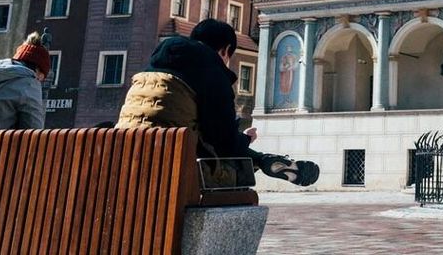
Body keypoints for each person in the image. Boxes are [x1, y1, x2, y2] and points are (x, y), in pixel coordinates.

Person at [117, 19, 317, 187]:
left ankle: (264, 160)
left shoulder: (152, 69)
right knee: (236, 169)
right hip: (173, 167)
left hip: (123, 156)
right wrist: (245, 140)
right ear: (225, 50)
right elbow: (222, 142)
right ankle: (263, 160)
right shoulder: (213, 73)